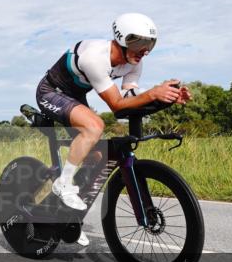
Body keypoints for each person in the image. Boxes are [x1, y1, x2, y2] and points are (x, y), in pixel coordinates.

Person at [35, 13, 191, 246]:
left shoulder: (134, 64)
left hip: (74, 96)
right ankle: (63, 183)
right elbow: (116, 105)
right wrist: (153, 93)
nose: (145, 51)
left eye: (150, 45)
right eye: (140, 44)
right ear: (122, 39)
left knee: (97, 156)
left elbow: (130, 97)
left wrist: (165, 98)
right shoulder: (95, 58)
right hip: (51, 92)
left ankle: (68, 216)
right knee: (95, 126)